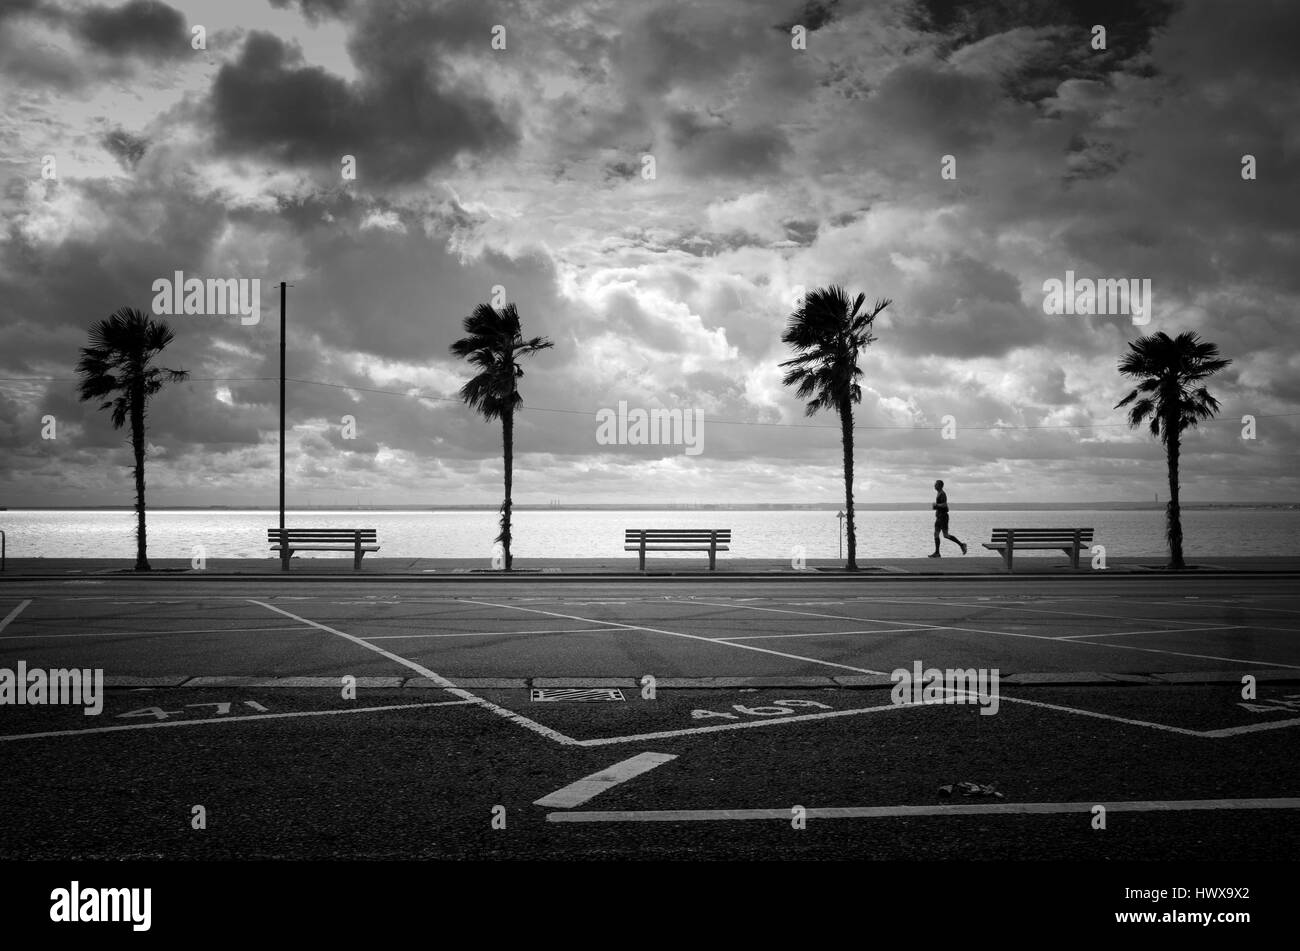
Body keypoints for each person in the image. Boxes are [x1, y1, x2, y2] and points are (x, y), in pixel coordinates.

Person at [929, 479, 967, 557]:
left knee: (945, 535)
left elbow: (944, 505)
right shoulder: (939, 493)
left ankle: (962, 545)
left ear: (939, 486)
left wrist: (936, 505)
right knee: (936, 534)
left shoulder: (942, 494)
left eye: (936, 484)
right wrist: (936, 508)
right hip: (939, 517)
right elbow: (941, 506)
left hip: (943, 517)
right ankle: (937, 553)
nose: (934, 485)